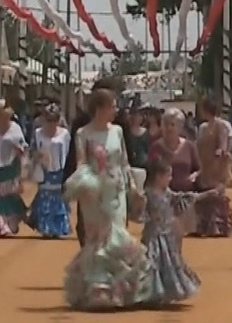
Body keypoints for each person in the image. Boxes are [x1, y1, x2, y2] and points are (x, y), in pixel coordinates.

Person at [62, 88, 152, 310]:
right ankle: (97, 291)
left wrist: (132, 187)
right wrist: (86, 184)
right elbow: (81, 163)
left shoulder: (118, 131)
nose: (116, 110)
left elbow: (123, 162)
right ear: (99, 108)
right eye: (112, 106)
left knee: (117, 236)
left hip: (116, 192)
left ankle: (118, 291)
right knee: (98, 240)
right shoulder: (83, 134)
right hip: (93, 194)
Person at [140, 154, 221, 305]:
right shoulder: (148, 195)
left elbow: (184, 197)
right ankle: (150, 294)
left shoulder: (167, 193)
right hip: (153, 237)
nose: (170, 179)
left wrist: (208, 194)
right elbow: (138, 212)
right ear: (158, 176)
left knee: (168, 266)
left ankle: (162, 294)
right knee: (152, 266)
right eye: (168, 175)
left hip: (167, 238)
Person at [27, 104, 72, 238]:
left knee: (59, 198)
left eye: (54, 120)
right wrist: (36, 158)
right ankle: (45, 227)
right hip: (44, 170)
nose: (51, 124)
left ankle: (58, 227)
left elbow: (69, 152)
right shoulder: (38, 134)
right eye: (49, 120)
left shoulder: (64, 134)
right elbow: (32, 150)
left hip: (60, 170)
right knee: (45, 197)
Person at [0, 106, 28, 236]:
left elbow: (23, 147)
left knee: (10, 195)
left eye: (7, 116)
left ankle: (10, 222)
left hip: (11, 165)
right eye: (2, 116)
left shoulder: (16, 128)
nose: (4, 119)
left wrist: (19, 150)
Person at [192, 99, 232, 238]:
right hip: (204, 164)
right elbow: (198, 144)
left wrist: (220, 152)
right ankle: (206, 226)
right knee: (205, 196)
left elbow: (223, 142)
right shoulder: (202, 127)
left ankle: (221, 227)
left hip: (217, 165)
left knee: (217, 196)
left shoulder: (220, 125)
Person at [62, 92, 94, 246]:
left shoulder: (119, 125)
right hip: (87, 183)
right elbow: (73, 154)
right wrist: (67, 177)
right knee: (84, 226)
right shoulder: (81, 125)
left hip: (112, 186)